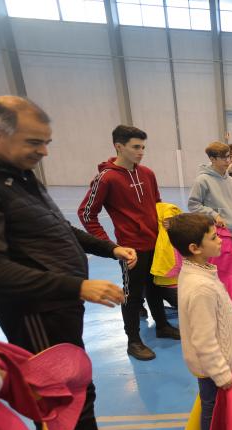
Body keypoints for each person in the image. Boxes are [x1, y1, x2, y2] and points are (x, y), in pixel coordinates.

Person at [0, 95, 164, 430]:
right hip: (35, 309)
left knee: (70, 384)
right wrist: (76, 286)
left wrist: (109, 249)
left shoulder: (18, 175)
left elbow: (60, 230)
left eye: (46, 142)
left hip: (57, 305)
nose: (44, 152)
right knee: (68, 388)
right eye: (34, 142)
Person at [78, 125, 180, 361]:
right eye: (136, 147)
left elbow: (157, 203)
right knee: (132, 294)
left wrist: (165, 220)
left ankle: (162, 326)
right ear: (119, 146)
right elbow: (86, 213)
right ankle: (133, 340)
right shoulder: (106, 178)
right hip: (131, 250)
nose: (141, 152)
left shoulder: (148, 173)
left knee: (156, 287)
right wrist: (109, 246)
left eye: (143, 147)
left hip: (156, 245)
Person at [167, 212, 232, 430]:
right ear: (195, 248)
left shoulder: (199, 271)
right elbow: (204, 339)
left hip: (212, 364)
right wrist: (221, 373)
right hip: (211, 367)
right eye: (213, 237)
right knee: (212, 407)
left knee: (212, 403)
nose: (220, 240)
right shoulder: (200, 288)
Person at [188, 141, 232, 240]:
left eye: (228, 156)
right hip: (216, 233)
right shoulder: (202, 180)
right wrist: (215, 215)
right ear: (212, 159)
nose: (227, 161)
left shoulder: (231, 180)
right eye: (223, 158)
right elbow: (193, 205)